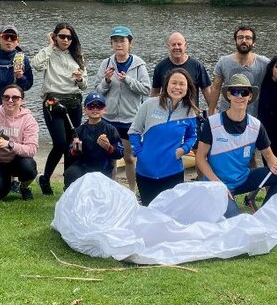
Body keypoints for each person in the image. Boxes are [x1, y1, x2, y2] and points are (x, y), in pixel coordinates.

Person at [196, 74, 277, 217]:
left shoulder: (256, 125)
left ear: (249, 96)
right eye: (235, 91)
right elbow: (200, 158)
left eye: (244, 92)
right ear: (228, 95)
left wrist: (275, 164)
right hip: (217, 184)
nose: (240, 96)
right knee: (235, 223)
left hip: (243, 179)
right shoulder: (212, 123)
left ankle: (265, 213)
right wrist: (217, 184)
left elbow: (269, 156)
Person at [31, 23, 87, 195]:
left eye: (69, 37)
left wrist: (79, 79)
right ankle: (45, 177)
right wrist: (50, 45)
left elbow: (84, 85)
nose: (65, 40)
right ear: (55, 36)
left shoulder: (77, 56)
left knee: (72, 144)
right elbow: (36, 64)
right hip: (53, 102)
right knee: (60, 142)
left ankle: (68, 183)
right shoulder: (49, 53)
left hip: (74, 101)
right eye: (62, 36)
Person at [130, 68, 199, 206]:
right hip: (145, 171)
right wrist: (140, 153)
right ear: (166, 85)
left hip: (173, 171)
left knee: (171, 212)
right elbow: (134, 131)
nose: (177, 87)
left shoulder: (190, 110)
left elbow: (192, 136)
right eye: (174, 83)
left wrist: (184, 149)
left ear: (188, 88)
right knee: (149, 211)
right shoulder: (150, 104)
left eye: (182, 84)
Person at [94, 26, 150, 191]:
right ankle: (109, 191)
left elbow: (146, 90)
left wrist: (128, 81)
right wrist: (107, 80)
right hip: (109, 118)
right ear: (111, 44)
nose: (119, 44)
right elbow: (97, 91)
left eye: (122, 41)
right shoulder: (106, 63)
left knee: (129, 158)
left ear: (129, 43)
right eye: (115, 41)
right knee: (109, 156)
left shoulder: (139, 65)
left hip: (130, 119)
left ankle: (132, 191)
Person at [0, 84, 39, 201]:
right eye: (6, 97)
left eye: (15, 98)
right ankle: (6, 182)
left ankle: (24, 187)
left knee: (28, 167)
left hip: (17, 160)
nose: (10, 100)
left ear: (22, 101)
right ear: (2, 99)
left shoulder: (29, 120)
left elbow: (31, 150)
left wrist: (9, 144)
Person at [63, 93, 125, 189]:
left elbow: (120, 153)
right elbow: (70, 156)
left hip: (103, 168)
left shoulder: (111, 130)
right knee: (70, 173)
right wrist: (75, 150)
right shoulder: (79, 131)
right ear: (85, 109)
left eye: (99, 106)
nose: (95, 109)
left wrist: (108, 147)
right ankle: (71, 196)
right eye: (91, 106)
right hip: (83, 166)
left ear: (104, 110)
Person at [210, 26, 270, 117]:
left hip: (253, 116)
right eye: (240, 37)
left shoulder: (264, 63)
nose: (244, 40)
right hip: (226, 114)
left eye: (248, 38)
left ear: (253, 43)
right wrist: (211, 112)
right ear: (235, 41)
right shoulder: (223, 62)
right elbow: (215, 88)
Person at [150, 32, 213, 107]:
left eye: (179, 44)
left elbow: (207, 92)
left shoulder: (197, 66)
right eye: (173, 45)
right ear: (168, 46)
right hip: (168, 112)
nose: (176, 47)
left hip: (191, 113)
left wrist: (213, 111)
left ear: (185, 46)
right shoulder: (160, 67)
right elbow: (155, 94)